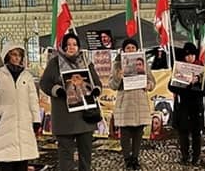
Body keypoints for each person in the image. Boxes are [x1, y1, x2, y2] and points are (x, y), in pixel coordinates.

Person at [39, 33, 103, 171]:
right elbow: (44, 83)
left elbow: (96, 82)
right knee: (66, 155)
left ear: (78, 46)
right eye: (68, 45)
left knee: (85, 154)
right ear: (63, 47)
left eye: (74, 44)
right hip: (64, 117)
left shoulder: (86, 62)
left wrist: (96, 90)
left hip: (85, 117)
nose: (71, 47)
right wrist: (57, 90)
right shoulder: (54, 63)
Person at [0, 43, 40, 171]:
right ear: (7, 55)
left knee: (22, 163)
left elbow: (33, 100)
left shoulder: (27, 76)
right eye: (14, 54)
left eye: (19, 55)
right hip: (5, 125)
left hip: (24, 124)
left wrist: (36, 120)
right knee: (6, 163)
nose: (17, 58)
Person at [109, 38, 155, 170]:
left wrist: (148, 85)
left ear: (136, 49)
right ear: (123, 50)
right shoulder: (117, 65)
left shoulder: (143, 63)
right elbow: (112, 84)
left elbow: (152, 82)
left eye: (133, 47)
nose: (130, 50)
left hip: (140, 102)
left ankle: (135, 157)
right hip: (125, 103)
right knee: (125, 133)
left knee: (138, 133)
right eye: (127, 48)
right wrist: (119, 76)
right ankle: (127, 158)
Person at [168, 43, 205, 164]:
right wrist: (183, 84)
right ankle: (184, 156)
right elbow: (171, 86)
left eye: (192, 55)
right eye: (187, 55)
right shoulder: (179, 68)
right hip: (182, 105)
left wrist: (197, 84)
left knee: (196, 133)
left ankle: (196, 156)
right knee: (183, 133)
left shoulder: (202, 69)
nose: (189, 58)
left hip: (196, 105)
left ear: (195, 56)